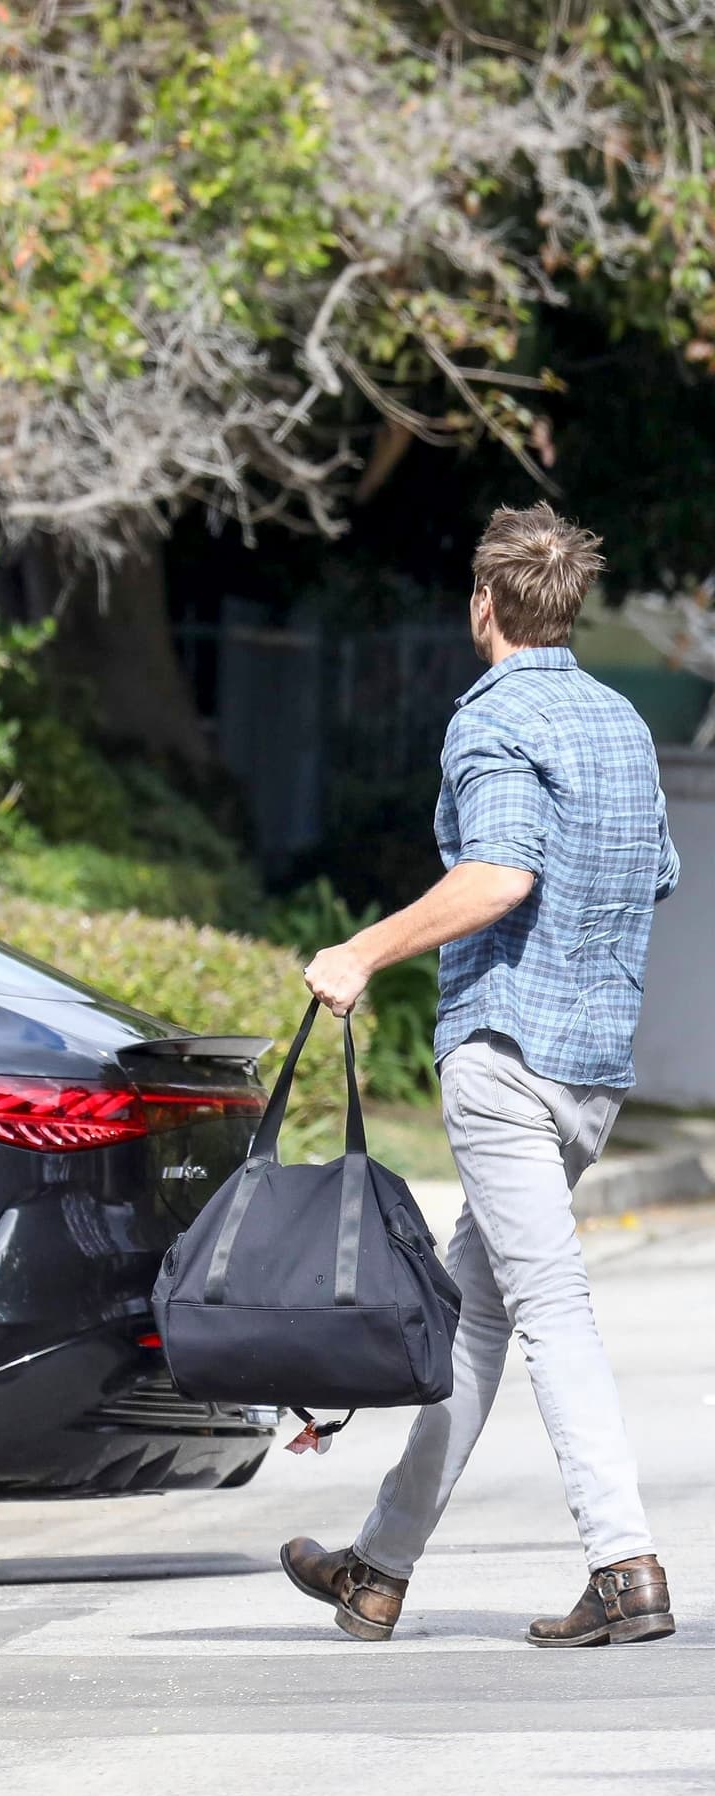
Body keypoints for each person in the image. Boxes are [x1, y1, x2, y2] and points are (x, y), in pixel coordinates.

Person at [285, 501, 680, 1648]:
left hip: (505, 1058)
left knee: (545, 1310)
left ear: (483, 606)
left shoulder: (490, 718)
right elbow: (650, 872)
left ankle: (622, 1562)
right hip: (592, 1072)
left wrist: (358, 951)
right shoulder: (616, 722)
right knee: (472, 1318)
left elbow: (499, 873)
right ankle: (378, 1567)